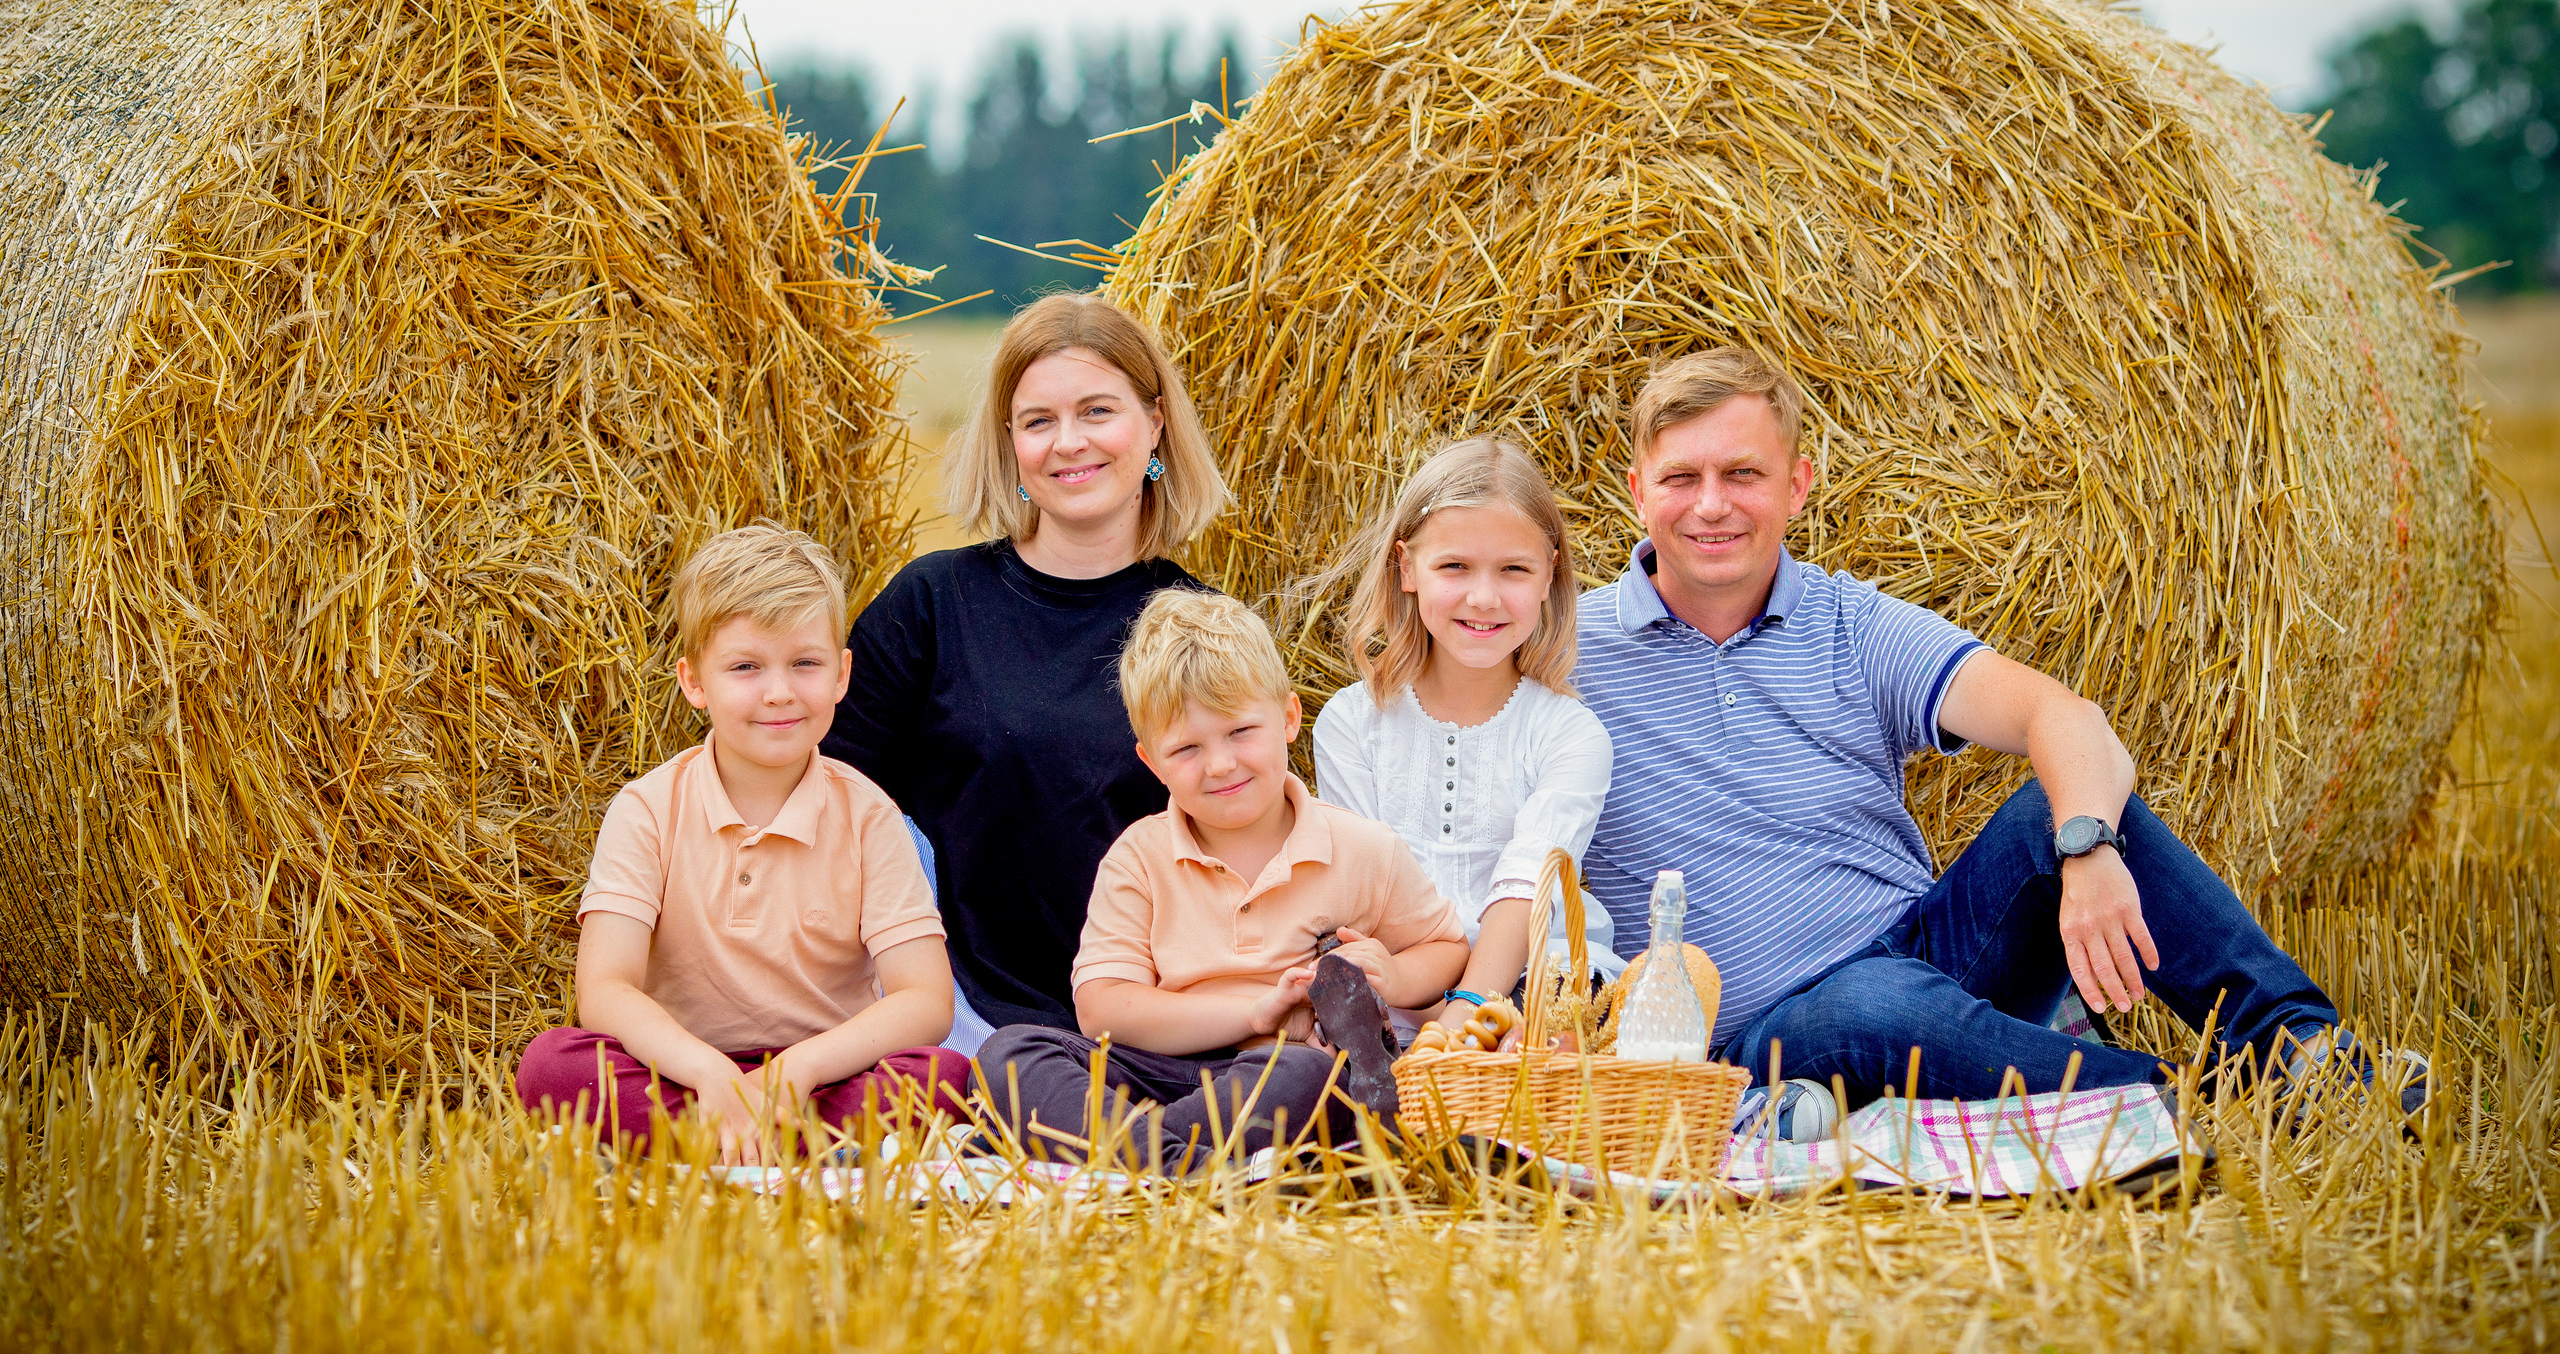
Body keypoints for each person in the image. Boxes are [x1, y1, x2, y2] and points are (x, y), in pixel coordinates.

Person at [1574, 347, 2411, 1131]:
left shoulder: (1851, 624)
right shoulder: (1564, 652)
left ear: (1797, 486)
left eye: (1743, 474)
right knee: (1866, 1006)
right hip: (1766, 1030)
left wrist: (2087, 849)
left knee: (2064, 800)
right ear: (1637, 490)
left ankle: (2308, 1056)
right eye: (1681, 476)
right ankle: (2172, 1099)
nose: (1712, 503)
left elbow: (2068, 720)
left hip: (1934, 955)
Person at [821, 294, 1229, 1051]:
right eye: (1038, 421)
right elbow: (827, 807)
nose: (1068, 442)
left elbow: (1246, 845)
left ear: (1155, 425)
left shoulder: (1202, 628)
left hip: (1144, 1021)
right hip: (946, 1018)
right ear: (1009, 444)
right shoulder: (931, 605)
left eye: (1098, 411)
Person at [514, 524, 967, 1161]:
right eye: (746, 667)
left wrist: (793, 1073)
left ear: (841, 674)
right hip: (683, 1070)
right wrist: (710, 1074)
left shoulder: (870, 817)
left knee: (942, 1080)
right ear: (694, 682)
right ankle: (773, 1140)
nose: (779, 691)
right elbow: (605, 989)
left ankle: (724, 1143)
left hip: (822, 1074)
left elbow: (925, 999)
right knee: (551, 1067)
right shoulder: (646, 809)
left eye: (805, 663)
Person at [974, 590, 1468, 1172]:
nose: (1221, 765)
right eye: (1186, 748)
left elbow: (1448, 946)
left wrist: (1399, 972)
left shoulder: (1362, 848)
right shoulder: (1140, 857)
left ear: (1289, 718)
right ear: (1151, 762)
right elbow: (1102, 1009)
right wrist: (1255, 1013)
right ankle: (1190, 1167)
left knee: (1315, 1078)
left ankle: (1131, 1158)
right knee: (1008, 1053)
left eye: (1239, 732)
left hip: (1274, 1076)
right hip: (1156, 1069)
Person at [1310, 436, 1621, 1047]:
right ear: (1407, 569)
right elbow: (1363, 893)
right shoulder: (1352, 723)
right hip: (1401, 975)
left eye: (1514, 569)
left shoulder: (1568, 733)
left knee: (1563, 1014)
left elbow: (1525, 891)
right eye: (1454, 567)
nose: (1484, 597)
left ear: (1548, 573)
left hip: (1529, 975)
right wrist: (1414, 999)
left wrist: (1466, 1012)